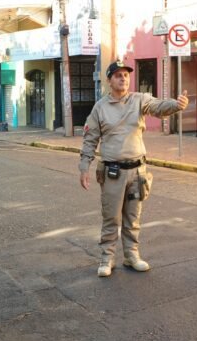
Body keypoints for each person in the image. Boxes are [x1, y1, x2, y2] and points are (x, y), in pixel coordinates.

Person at [79, 59, 188, 277]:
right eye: (118, 75)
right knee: (111, 217)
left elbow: (158, 106)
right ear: (110, 80)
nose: (123, 78)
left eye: (126, 75)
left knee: (133, 217)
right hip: (112, 172)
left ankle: (131, 255)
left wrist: (176, 105)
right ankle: (106, 258)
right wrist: (84, 168)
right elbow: (90, 139)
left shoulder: (139, 100)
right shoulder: (100, 108)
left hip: (137, 171)